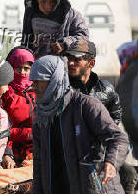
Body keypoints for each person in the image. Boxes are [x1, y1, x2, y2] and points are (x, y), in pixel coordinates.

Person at [30, 55, 128, 194]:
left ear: (54, 79)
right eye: (32, 81)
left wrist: (112, 163)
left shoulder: (86, 105)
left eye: (38, 81)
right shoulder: (41, 114)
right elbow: (39, 162)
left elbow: (118, 138)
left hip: (93, 188)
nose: (33, 86)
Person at [64, 39, 138, 194]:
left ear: (91, 63)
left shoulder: (107, 88)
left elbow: (116, 115)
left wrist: (102, 135)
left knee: (130, 174)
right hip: (76, 151)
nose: (70, 63)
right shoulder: (64, 89)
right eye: (69, 58)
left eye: (77, 59)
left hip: (103, 148)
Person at [21, 0, 89, 57]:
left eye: (52, 2)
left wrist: (64, 44)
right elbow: (25, 42)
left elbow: (84, 38)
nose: (47, 6)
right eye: (43, 1)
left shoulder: (71, 15)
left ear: (58, 0)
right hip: (36, 64)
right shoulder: (30, 12)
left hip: (61, 64)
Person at [1, 47, 36, 165]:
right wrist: (7, 153)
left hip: (37, 150)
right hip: (11, 153)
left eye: (26, 68)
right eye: (17, 68)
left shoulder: (39, 91)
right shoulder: (4, 92)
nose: (22, 72)